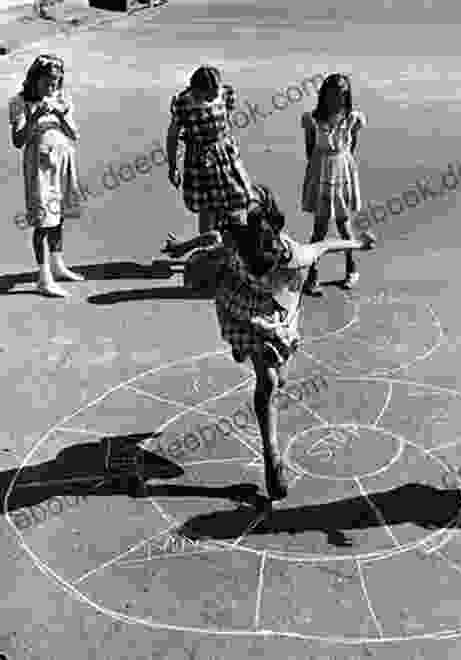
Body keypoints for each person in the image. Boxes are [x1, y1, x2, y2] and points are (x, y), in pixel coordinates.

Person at [212, 184, 376, 502]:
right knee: (269, 380)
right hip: (257, 314)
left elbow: (324, 245)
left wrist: (357, 243)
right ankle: (272, 455)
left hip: (258, 310)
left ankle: (249, 351)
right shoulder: (264, 251)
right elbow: (325, 245)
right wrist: (358, 243)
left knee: (276, 375)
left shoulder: (265, 249)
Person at [8, 54, 85, 297]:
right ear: (35, 79)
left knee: (59, 214)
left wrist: (61, 114)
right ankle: (43, 277)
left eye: (56, 81)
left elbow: (74, 134)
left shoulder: (61, 98)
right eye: (48, 81)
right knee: (43, 220)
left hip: (62, 164)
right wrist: (34, 117)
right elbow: (18, 141)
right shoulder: (20, 101)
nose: (52, 86)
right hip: (38, 168)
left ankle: (58, 265)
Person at [166, 65, 254, 237]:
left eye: (216, 91)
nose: (215, 96)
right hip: (201, 160)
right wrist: (173, 167)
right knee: (208, 208)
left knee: (238, 199)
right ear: (198, 90)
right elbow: (172, 136)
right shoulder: (184, 103)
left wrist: (225, 144)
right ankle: (208, 251)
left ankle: (231, 245)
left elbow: (226, 120)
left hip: (226, 156)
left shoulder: (224, 93)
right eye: (209, 94)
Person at [301, 73, 366, 296]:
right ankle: (312, 277)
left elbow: (350, 148)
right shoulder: (312, 119)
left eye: (341, 95)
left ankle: (351, 270)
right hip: (321, 175)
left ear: (346, 96)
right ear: (324, 95)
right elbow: (310, 150)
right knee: (319, 229)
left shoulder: (353, 118)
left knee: (344, 225)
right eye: (332, 95)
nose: (336, 99)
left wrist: (339, 165)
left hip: (342, 174)